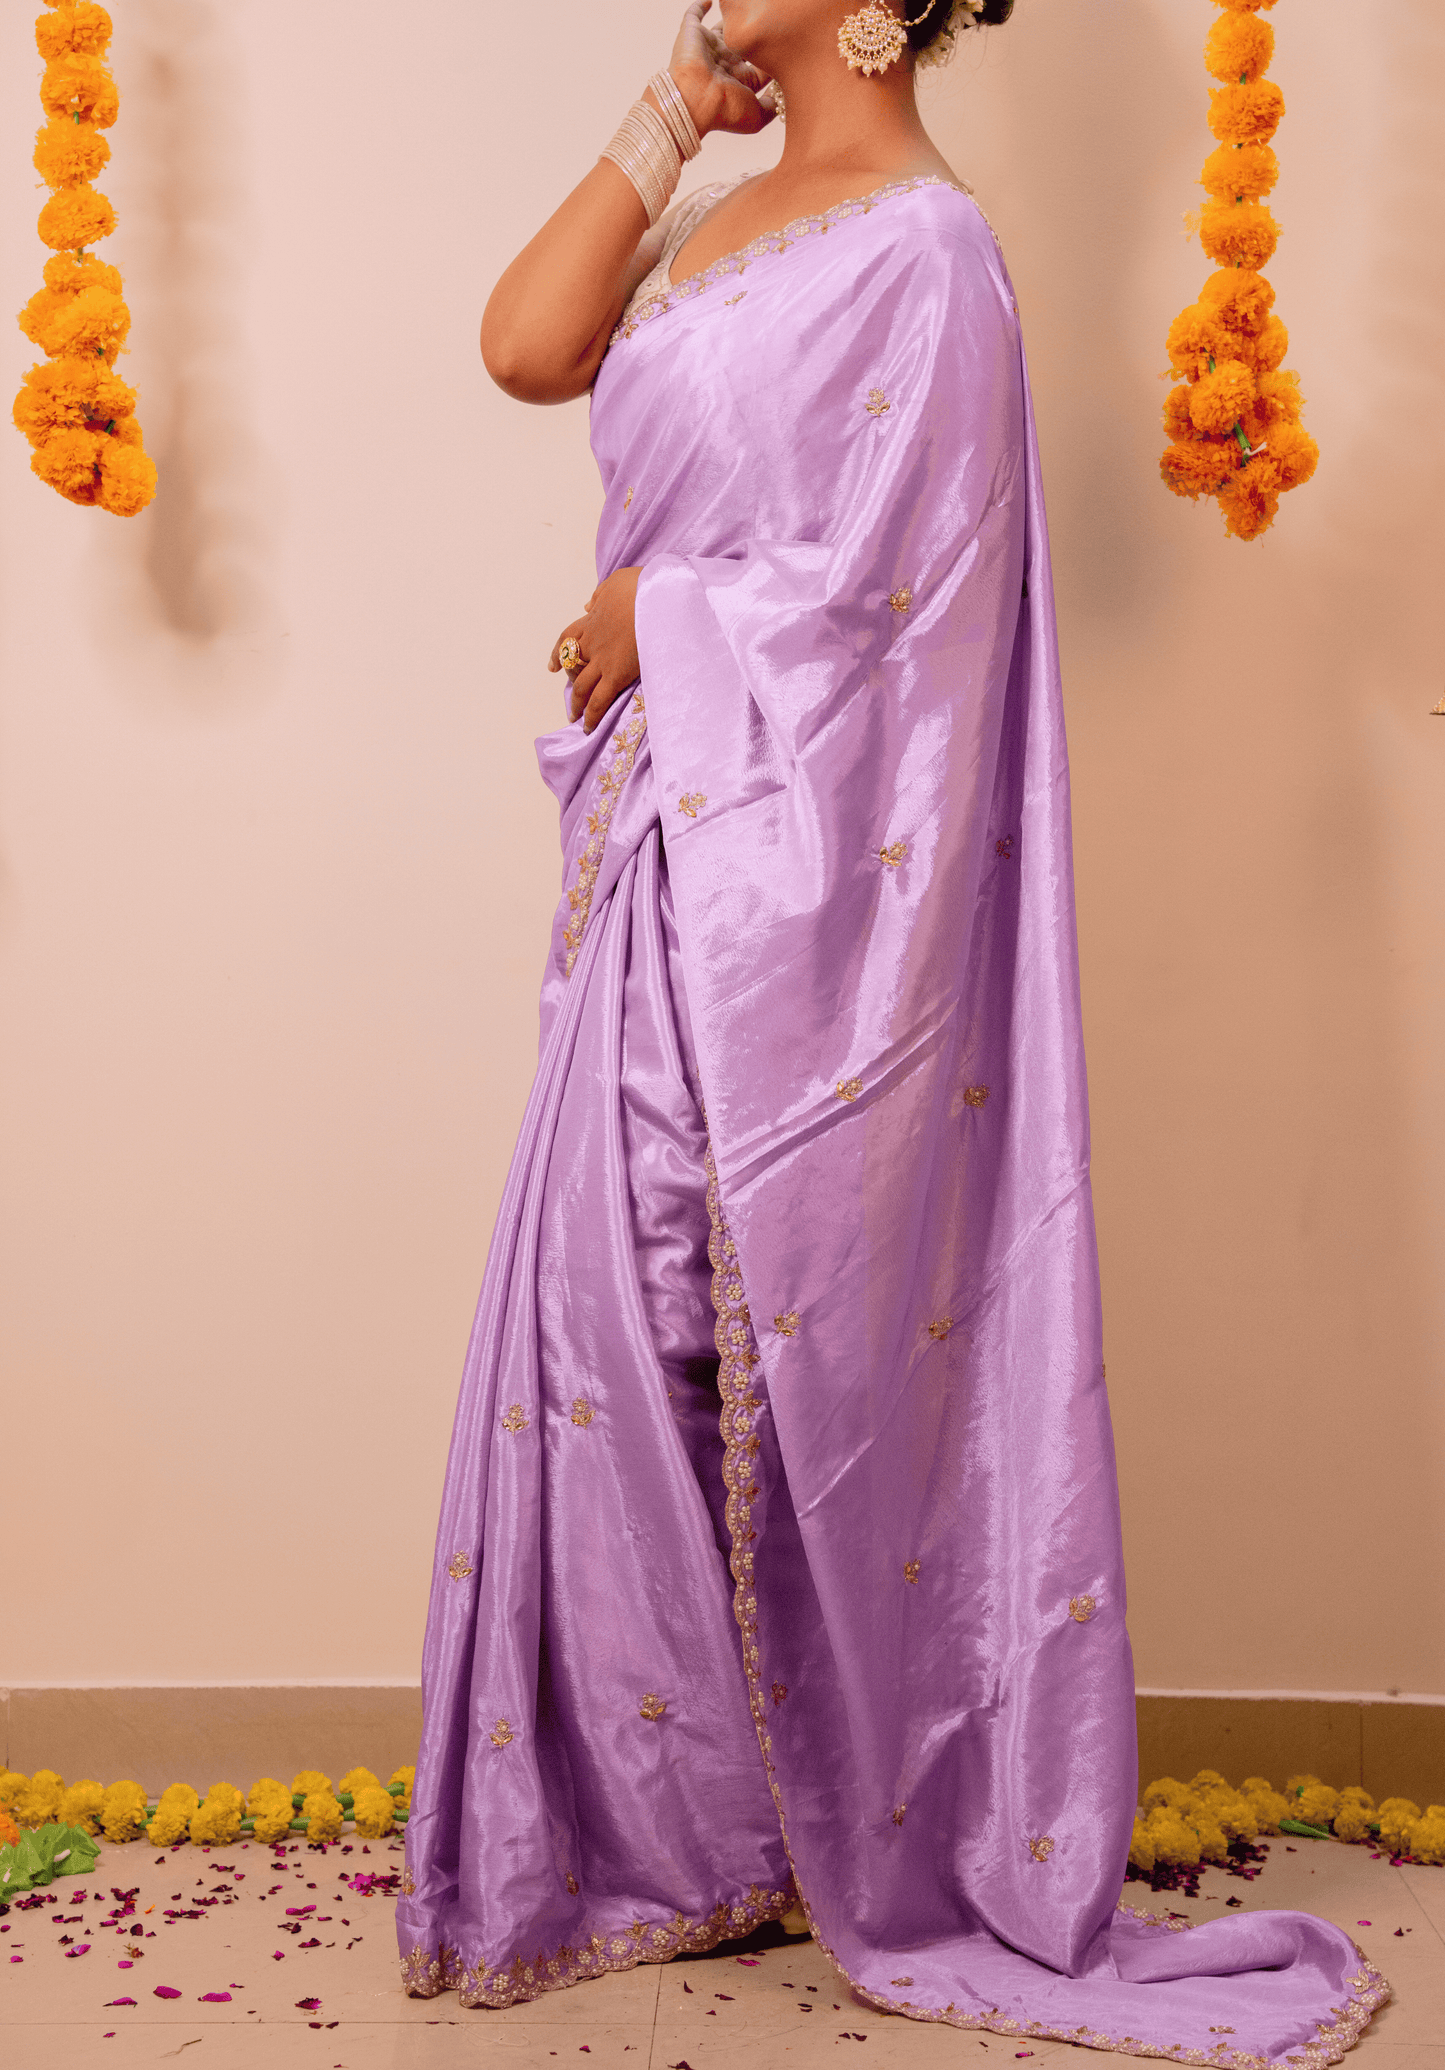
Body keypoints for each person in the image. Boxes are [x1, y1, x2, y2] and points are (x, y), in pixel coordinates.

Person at [397, 4, 1388, 2059]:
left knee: (745, 1319)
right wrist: (673, 104)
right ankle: (676, 1833)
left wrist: (652, 615)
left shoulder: (930, 257)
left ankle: (822, 1818)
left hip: (788, 887)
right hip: (659, 862)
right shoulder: (730, 208)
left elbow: (896, 621)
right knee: (612, 1322)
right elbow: (515, 345)